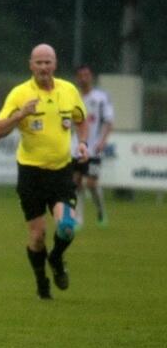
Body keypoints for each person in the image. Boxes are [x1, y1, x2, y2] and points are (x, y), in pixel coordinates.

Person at [0, 44, 88, 300]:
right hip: (31, 174)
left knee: (67, 226)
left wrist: (82, 143)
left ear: (55, 64)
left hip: (61, 172)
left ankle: (56, 259)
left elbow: (81, 119)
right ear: (31, 65)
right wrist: (21, 114)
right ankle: (42, 282)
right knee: (37, 236)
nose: (44, 67)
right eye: (39, 62)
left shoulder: (68, 91)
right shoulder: (20, 94)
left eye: (48, 62)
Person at [72, 64, 114, 227]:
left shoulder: (101, 98)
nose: (84, 78)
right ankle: (78, 218)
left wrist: (103, 141)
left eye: (86, 75)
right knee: (76, 182)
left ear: (91, 77)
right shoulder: (73, 96)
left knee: (91, 183)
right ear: (77, 78)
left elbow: (109, 121)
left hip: (94, 148)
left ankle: (101, 210)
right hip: (76, 148)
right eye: (81, 75)